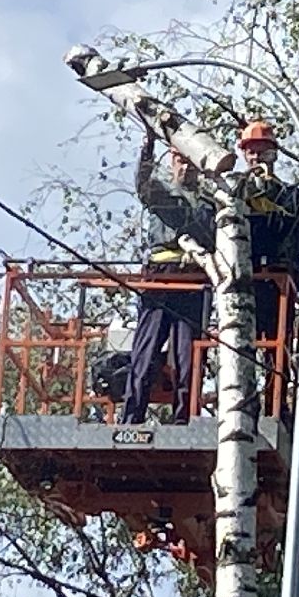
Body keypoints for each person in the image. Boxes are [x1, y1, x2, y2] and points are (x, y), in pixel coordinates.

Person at [121, 129, 214, 424]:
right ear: (172, 162)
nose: (185, 167)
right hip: (160, 280)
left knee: (188, 356)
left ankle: (183, 419)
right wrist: (148, 146)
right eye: (180, 160)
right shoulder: (161, 195)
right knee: (145, 352)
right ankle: (131, 416)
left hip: (193, 282)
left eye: (190, 161)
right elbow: (142, 183)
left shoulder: (210, 204)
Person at [236, 120, 299, 359]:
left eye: (262, 151)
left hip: (279, 282)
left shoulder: (292, 196)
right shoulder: (234, 196)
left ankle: (277, 384)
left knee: (279, 351)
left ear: (274, 154)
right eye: (251, 152)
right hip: (247, 279)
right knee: (240, 344)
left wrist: (268, 189)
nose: (256, 157)